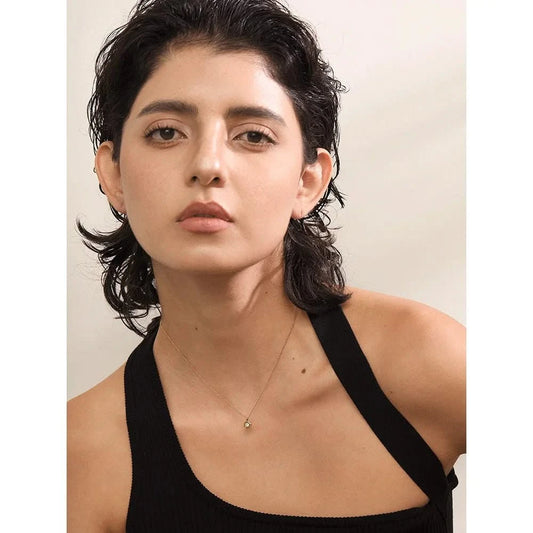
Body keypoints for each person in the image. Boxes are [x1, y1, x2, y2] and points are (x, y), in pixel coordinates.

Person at [67, 0, 466, 531]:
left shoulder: (424, 358)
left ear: (308, 180)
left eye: (253, 135)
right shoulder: (77, 456)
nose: (207, 164)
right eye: (166, 132)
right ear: (113, 174)